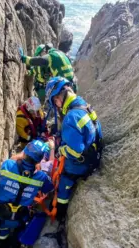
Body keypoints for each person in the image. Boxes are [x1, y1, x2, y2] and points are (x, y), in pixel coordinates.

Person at [44, 76, 104, 220]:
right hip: (94, 154)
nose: (57, 106)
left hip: (82, 164)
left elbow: (75, 152)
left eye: (55, 102)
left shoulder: (70, 118)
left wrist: (61, 150)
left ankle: (60, 214)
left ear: (58, 98)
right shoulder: (82, 105)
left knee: (63, 182)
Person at [0, 139, 54, 248]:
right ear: (39, 161)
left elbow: (0, 180)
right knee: (21, 225)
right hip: (20, 218)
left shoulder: (7, 165)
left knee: (2, 231)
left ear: (24, 153)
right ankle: (15, 244)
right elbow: (49, 189)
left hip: (0, 216)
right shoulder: (41, 177)